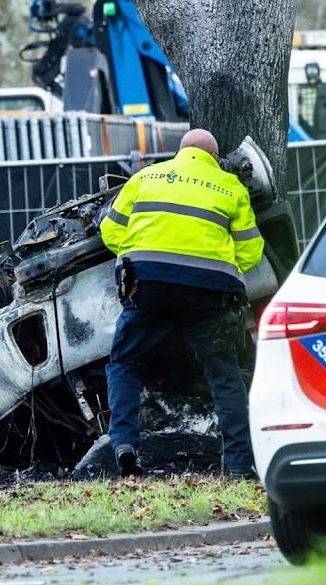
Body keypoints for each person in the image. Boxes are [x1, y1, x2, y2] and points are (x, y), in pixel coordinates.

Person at [99, 128, 263, 479]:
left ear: (180, 152)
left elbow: (110, 232)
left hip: (148, 287)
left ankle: (124, 444)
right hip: (207, 293)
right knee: (224, 373)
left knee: (125, 364)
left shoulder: (144, 178)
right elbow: (251, 252)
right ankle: (237, 465)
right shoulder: (230, 187)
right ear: (215, 158)